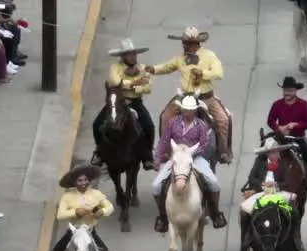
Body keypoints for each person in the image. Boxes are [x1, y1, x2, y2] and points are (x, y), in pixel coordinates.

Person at [33, 165, 122, 251]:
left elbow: (109, 206)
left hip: (90, 232)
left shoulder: (96, 194)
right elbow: (60, 215)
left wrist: (102, 212)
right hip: (73, 232)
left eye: (86, 180)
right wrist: (75, 212)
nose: (83, 183)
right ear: (75, 182)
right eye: (80, 180)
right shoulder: (68, 197)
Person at [149, 26, 233, 163]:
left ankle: (223, 152)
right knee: (165, 116)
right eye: (184, 43)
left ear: (195, 44)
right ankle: (165, 151)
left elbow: (219, 73)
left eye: (186, 43)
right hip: (184, 97)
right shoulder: (180, 58)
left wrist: (203, 73)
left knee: (223, 119)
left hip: (205, 98)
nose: (184, 45)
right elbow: (166, 67)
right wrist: (153, 69)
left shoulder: (209, 56)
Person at [151, 95, 228, 233]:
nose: (189, 113)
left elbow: (204, 144)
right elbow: (164, 141)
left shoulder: (201, 125)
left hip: (195, 158)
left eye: (191, 110)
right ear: (182, 110)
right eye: (186, 110)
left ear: (195, 111)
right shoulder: (173, 123)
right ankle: (163, 217)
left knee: (214, 183)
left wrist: (189, 152)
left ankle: (215, 213)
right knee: (156, 186)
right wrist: (157, 159)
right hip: (176, 158)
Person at [92, 38, 156, 170]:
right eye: (129, 54)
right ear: (122, 56)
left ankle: (148, 156)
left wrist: (134, 88)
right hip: (118, 102)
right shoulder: (115, 67)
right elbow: (115, 82)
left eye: (134, 54)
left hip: (135, 102)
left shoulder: (143, 68)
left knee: (149, 126)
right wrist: (133, 83)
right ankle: (99, 153)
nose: (133, 57)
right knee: (97, 124)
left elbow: (148, 87)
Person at [242, 138, 305, 251]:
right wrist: (262, 184)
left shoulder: (284, 163)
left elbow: (288, 181)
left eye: (276, 151)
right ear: (267, 153)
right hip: (262, 193)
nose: (276, 154)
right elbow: (251, 178)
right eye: (272, 152)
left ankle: (296, 238)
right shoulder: (259, 162)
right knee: (244, 211)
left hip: (279, 193)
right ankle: (246, 240)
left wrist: (276, 184)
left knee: (294, 211)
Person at [266, 76, 307, 199]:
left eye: (290, 91)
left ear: (295, 91)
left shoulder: (303, 105)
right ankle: (256, 183)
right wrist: (278, 127)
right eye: (285, 90)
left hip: (298, 138)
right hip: (280, 138)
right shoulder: (277, 104)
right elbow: (270, 120)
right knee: (263, 154)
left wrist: (295, 125)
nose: (287, 93)